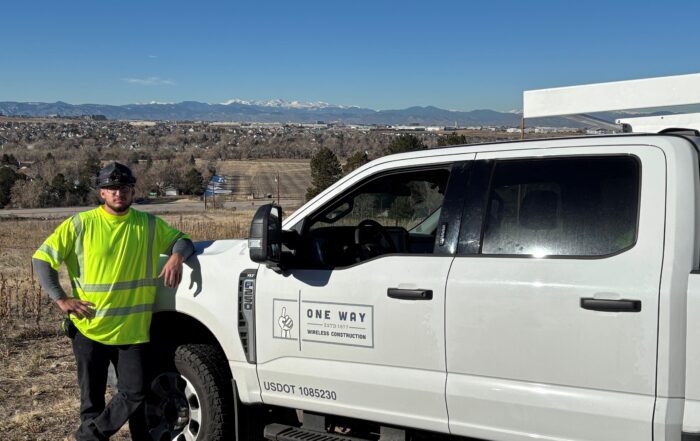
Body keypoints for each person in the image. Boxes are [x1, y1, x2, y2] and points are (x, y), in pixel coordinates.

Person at [32, 162, 195, 441]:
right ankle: (92, 433)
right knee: (91, 400)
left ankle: (88, 437)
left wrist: (177, 257)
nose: (118, 193)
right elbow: (42, 259)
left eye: (123, 188)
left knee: (134, 393)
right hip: (88, 327)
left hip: (131, 331)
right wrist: (61, 299)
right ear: (102, 193)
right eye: (111, 188)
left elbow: (183, 240)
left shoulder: (149, 225)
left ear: (132, 192)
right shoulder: (81, 224)